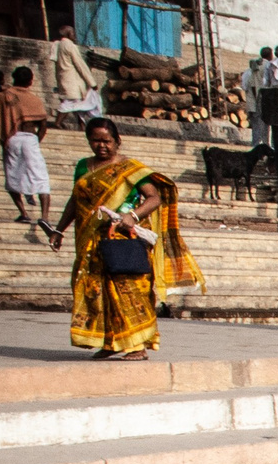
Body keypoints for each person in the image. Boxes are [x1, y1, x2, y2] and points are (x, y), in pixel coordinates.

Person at [49, 116, 203, 362]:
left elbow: (154, 198)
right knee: (97, 291)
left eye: (107, 141)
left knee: (130, 291)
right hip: (91, 241)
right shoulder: (83, 166)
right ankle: (111, 342)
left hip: (123, 239)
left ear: (117, 141)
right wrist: (59, 229)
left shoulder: (130, 168)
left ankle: (138, 346)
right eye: (95, 141)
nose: (101, 146)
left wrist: (132, 215)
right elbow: (75, 201)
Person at [0, 65, 53, 237]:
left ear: (14, 78)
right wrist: (35, 141)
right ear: (31, 81)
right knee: (41, 177)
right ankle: (45, 216)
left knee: (12, 176)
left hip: (13, 138)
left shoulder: (3, 96)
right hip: (30, 138)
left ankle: (24, 213)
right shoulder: (35, 99)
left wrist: (5, 139)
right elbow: (43, 126)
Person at [52, 35, 102, 123]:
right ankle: (58, 123)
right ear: (67, 34)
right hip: (72, 82)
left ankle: (82, 125)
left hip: (63, 79)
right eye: (72, 33)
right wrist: (92, 83)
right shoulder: (70, 46)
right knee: (70, 104)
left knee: (78, 105)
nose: (74, 36)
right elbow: (80, 65)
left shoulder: (57, 45)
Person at [245, 47, 274, 146]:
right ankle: (264, 147)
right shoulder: (269, 66)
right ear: (270, 55)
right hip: (264, 98)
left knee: (257, 127)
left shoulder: (255, 66)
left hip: (256, 98)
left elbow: (251, 84)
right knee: (264, 126)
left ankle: (256, 147)